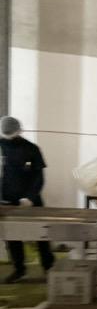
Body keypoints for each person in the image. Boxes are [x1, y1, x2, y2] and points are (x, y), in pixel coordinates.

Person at [0, 116, 54, 283]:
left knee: (41, 233)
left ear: (20, 131)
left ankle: (48, 267)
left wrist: (30, 197)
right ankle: (19, 269)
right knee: (12, 236)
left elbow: (39, 177)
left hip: (31, 199)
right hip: (7, 200)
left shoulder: (31, 149)